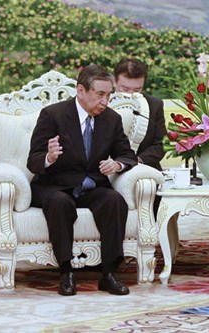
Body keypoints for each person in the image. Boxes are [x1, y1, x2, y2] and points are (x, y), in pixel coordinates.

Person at [27, 64, 138, 296]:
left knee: (114, 201)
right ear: (80, 90)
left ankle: (108, 273)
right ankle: (66, 272)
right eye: (100, 95)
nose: (105, 102)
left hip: (91, 186)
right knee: (60, 202)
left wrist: (117, 165)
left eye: (109, 95)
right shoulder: (53, 115)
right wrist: (49, 157)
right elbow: (33, 160)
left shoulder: (112, 119)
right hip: (55, 186)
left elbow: (127, 155)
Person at [114, 58, 166, 216]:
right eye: (125, 89)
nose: (131, 95)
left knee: (157, 191)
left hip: (142, 166)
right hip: (108, 166)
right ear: (114, 82)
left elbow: (160, 144)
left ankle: (155, 237)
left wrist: (137, 161)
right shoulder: (102, 102)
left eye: (137, 90)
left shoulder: (154, 105)